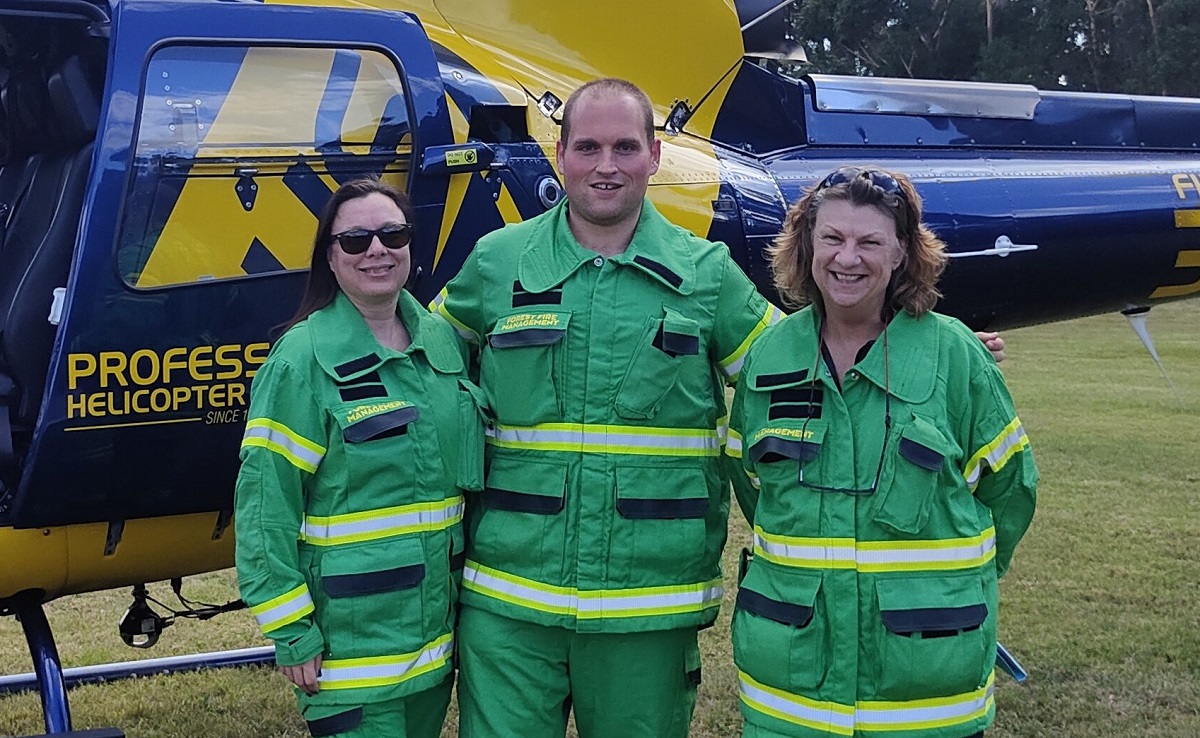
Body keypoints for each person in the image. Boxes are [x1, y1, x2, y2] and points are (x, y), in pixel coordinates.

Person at [726, 166, 1038, 738]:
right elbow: (752, 484)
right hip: (790, 697)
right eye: (833, 239)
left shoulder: (955, 355)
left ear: (901, 254)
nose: (849, 258)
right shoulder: (768, 358)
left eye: (870, 242)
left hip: (923, 696)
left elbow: (1011, 490)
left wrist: (953, 587)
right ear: (807, 246)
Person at [234, 178, 485, 738]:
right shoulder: (302, 360)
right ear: (330, 255)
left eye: (392, 234)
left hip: (431, 648)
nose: (377, 249)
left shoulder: (442, 345)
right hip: (350, 654)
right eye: (355, 240)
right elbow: (263, 506)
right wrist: (291, 631)